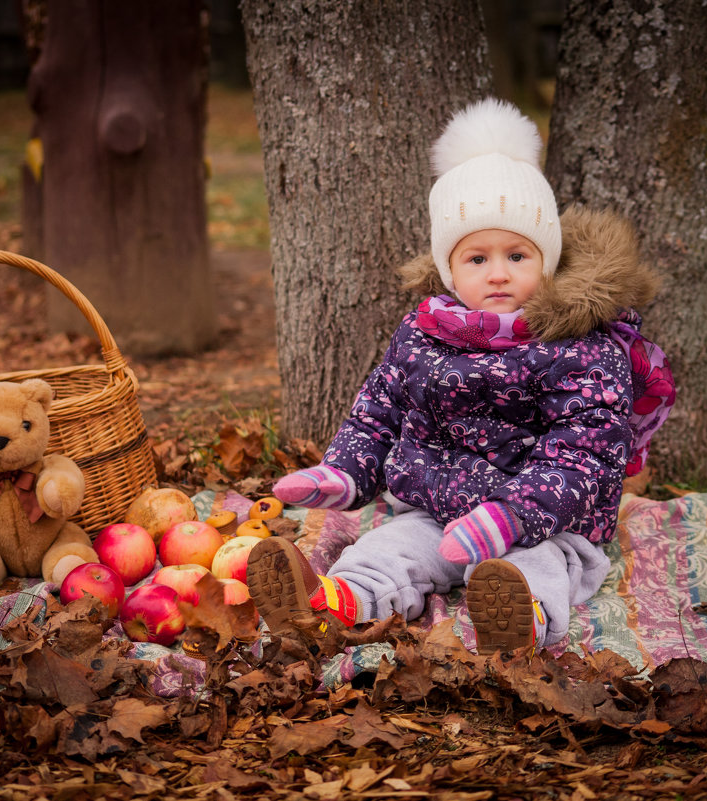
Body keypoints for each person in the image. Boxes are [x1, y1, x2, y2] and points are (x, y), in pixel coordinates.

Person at [246, 98, 675, 654]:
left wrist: (514, 515)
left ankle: (523, 620)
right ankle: (333, 605)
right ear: (449, 267)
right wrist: (346, 471)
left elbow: (584, 453)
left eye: (518, 255)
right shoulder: (426, 331)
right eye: (477, 259)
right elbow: (381, 405)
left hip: (542, 519)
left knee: (537, 565)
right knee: (386, 549)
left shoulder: (582, 347)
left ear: (546, 259)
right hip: (436, 510)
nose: (498, 273)